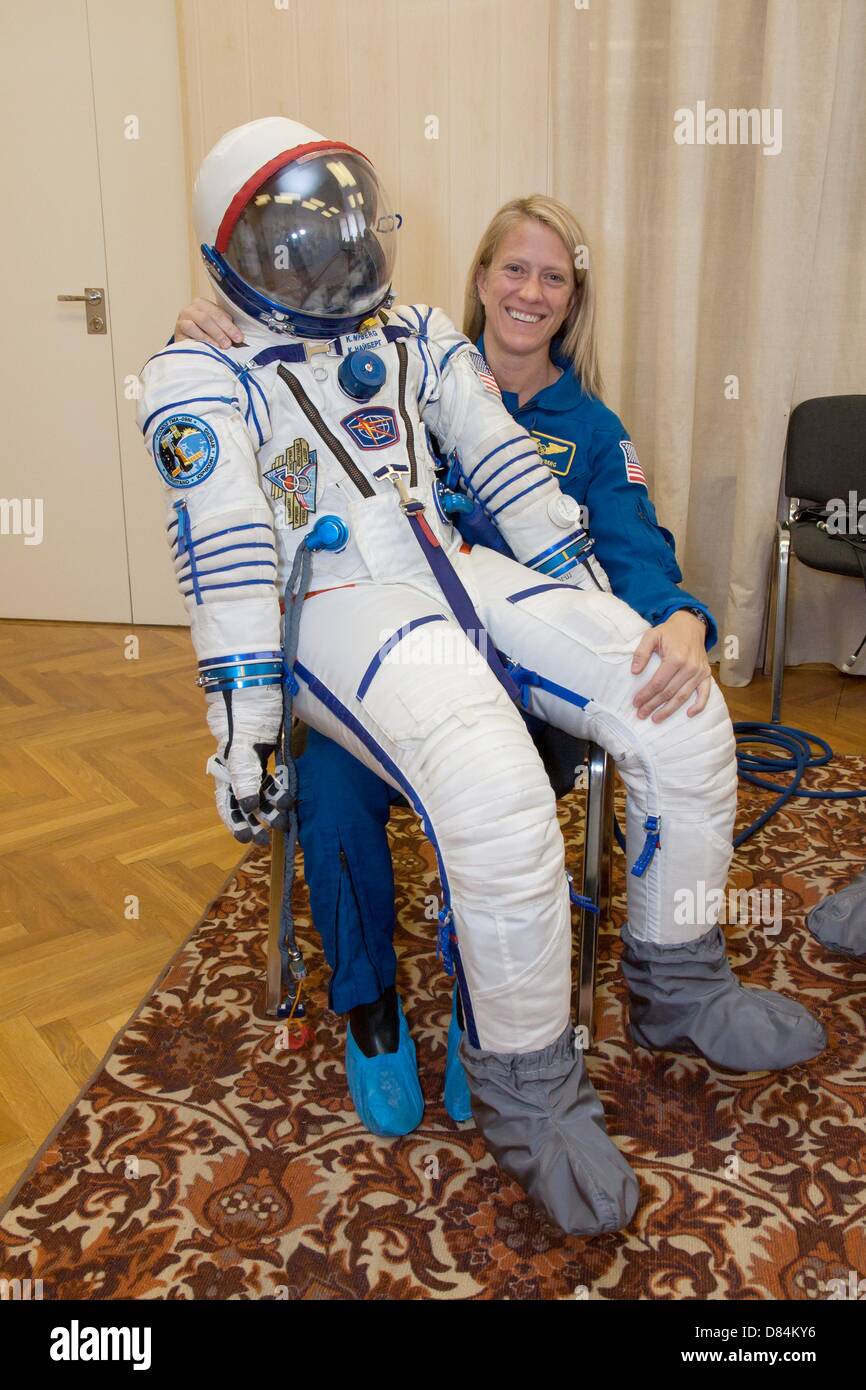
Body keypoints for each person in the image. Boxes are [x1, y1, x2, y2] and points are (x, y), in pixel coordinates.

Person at [144, 116, 825, 1237]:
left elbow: (510, 473)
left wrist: (620, 628)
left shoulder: (414, 336)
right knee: (492, 780)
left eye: (346, 229)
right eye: (298, 237)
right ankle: (521, 1084)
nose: (333, 259)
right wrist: (246, 732)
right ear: (242, 250)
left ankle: (678, 982)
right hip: (328, 600)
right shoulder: (198, 371)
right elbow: (226, 561)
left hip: (444, 565)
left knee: (680, 713)